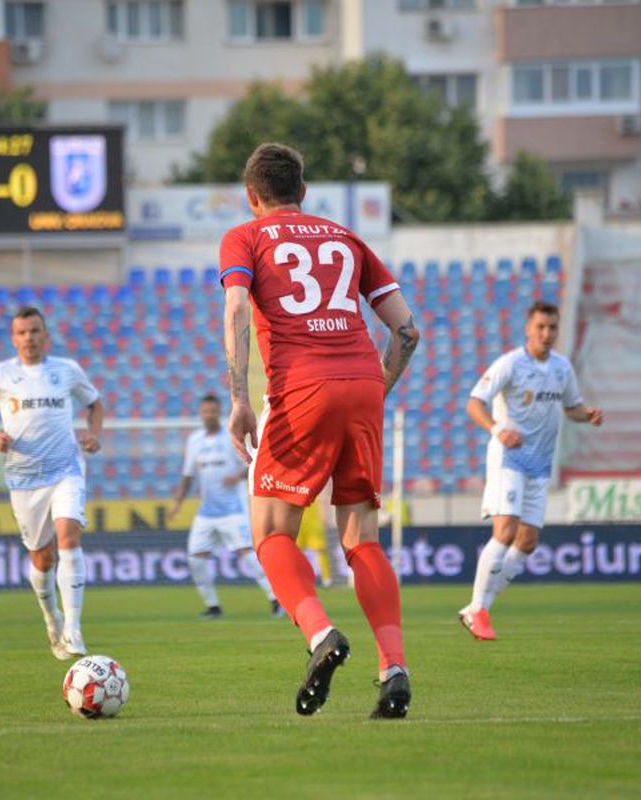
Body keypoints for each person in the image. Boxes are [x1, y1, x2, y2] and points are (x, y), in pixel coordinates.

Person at [219, 142, 421, 718]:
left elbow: (236, 311)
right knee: (361, 536)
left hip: (300, 388)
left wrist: (238, 398)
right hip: (361, 381)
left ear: (252, 196)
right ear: (303, 192)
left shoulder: (245, 237)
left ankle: (319, 635)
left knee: (271, 529)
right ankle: (394, 668)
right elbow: (407, 331)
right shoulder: (345, 237)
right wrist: (374, 390)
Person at [461, 301, 603, 641]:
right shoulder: (511, 364)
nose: (546, 333)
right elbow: (474, 402)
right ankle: (478, 609)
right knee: (506, 530)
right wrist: (497, 430)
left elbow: (572, 407)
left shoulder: (561, 368)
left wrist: (589, 415)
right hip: (509, 459)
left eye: (552, 327)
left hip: (541, 465)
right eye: (540, 327)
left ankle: (478, 609)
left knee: (527, 541)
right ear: (528, 328)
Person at [0, 306, 104, 661]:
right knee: (42, 560)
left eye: (34, 331)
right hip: (24, 478)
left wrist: (92, 434)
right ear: (13, 338)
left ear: (46, 335)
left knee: (69, 537)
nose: (29, 338)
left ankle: (74, 630)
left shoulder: (67, 370)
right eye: (22, 332)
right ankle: (52, 618)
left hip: (66, 470)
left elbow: (95, 404)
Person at [170, 393, 282, 620]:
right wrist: (178, 503)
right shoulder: (195, 440)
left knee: (248, 555)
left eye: (212, 411)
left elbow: (253, 464)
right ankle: (213, 607)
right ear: (200, 414)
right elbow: (187, 475)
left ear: (218, 412)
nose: (208, 415)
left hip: (233, 510)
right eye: (205, 411)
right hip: (207, 512)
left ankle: (276, 600)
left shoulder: (231, 437)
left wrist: (237, 476)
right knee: (195, 557)